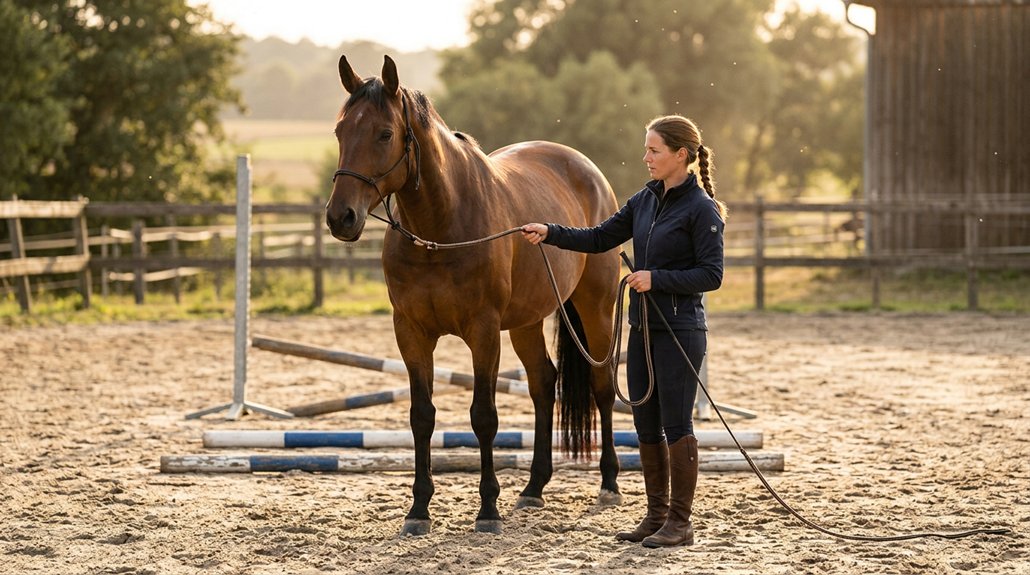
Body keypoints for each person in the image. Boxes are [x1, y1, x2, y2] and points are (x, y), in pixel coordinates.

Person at [522, 115, 726, 547]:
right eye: (646, 149)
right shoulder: (645, 200)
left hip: (681, 331)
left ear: (680, 155)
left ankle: (680, 522)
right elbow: (600, 238)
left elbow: (712, 274)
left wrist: (657, 279)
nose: (646, 157)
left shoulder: (701, 209)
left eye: (654, 150)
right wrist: (550, 232)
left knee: (676, 424)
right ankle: (655, 516)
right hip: (644, 328)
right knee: (646, 424)